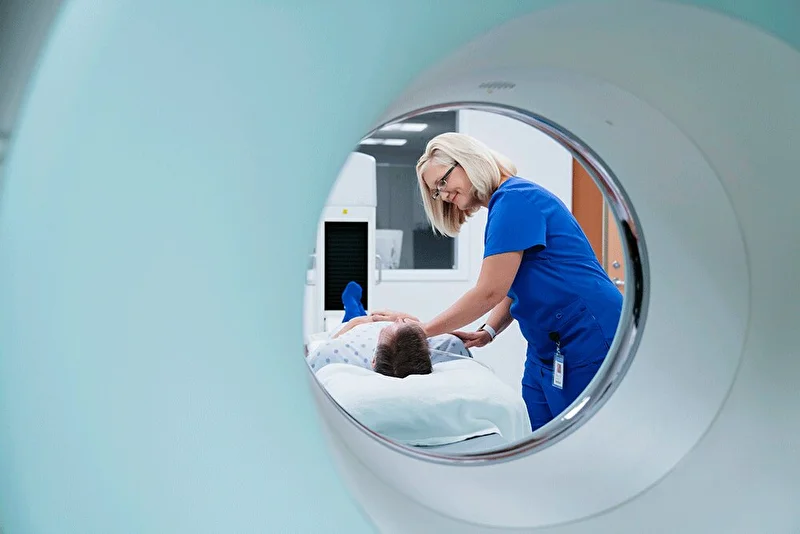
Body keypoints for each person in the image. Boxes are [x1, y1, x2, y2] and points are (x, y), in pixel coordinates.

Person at [380, 132, 623, 431]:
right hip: (545, 347)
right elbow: (512, 283)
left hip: (589, 335)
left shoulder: (516, 199)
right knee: (535, 439)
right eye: (435, 192)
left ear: (467, 162)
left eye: (442, 182)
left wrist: (420, 332)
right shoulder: (504, 205)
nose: (442, 195)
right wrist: (489, 331)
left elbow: (489, 292)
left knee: (582, 442)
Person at [306, 282, 472, 377]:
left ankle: (351, 307)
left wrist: (357, 323)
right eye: (402, 323)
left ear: (373, 361)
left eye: (386, 329)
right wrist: (406, 321)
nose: (398, 320)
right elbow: (422, 330)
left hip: (357, 329)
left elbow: (328, 344)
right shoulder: (447, 348)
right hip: (389, 332)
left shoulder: (337, 354)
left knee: (354, 313)